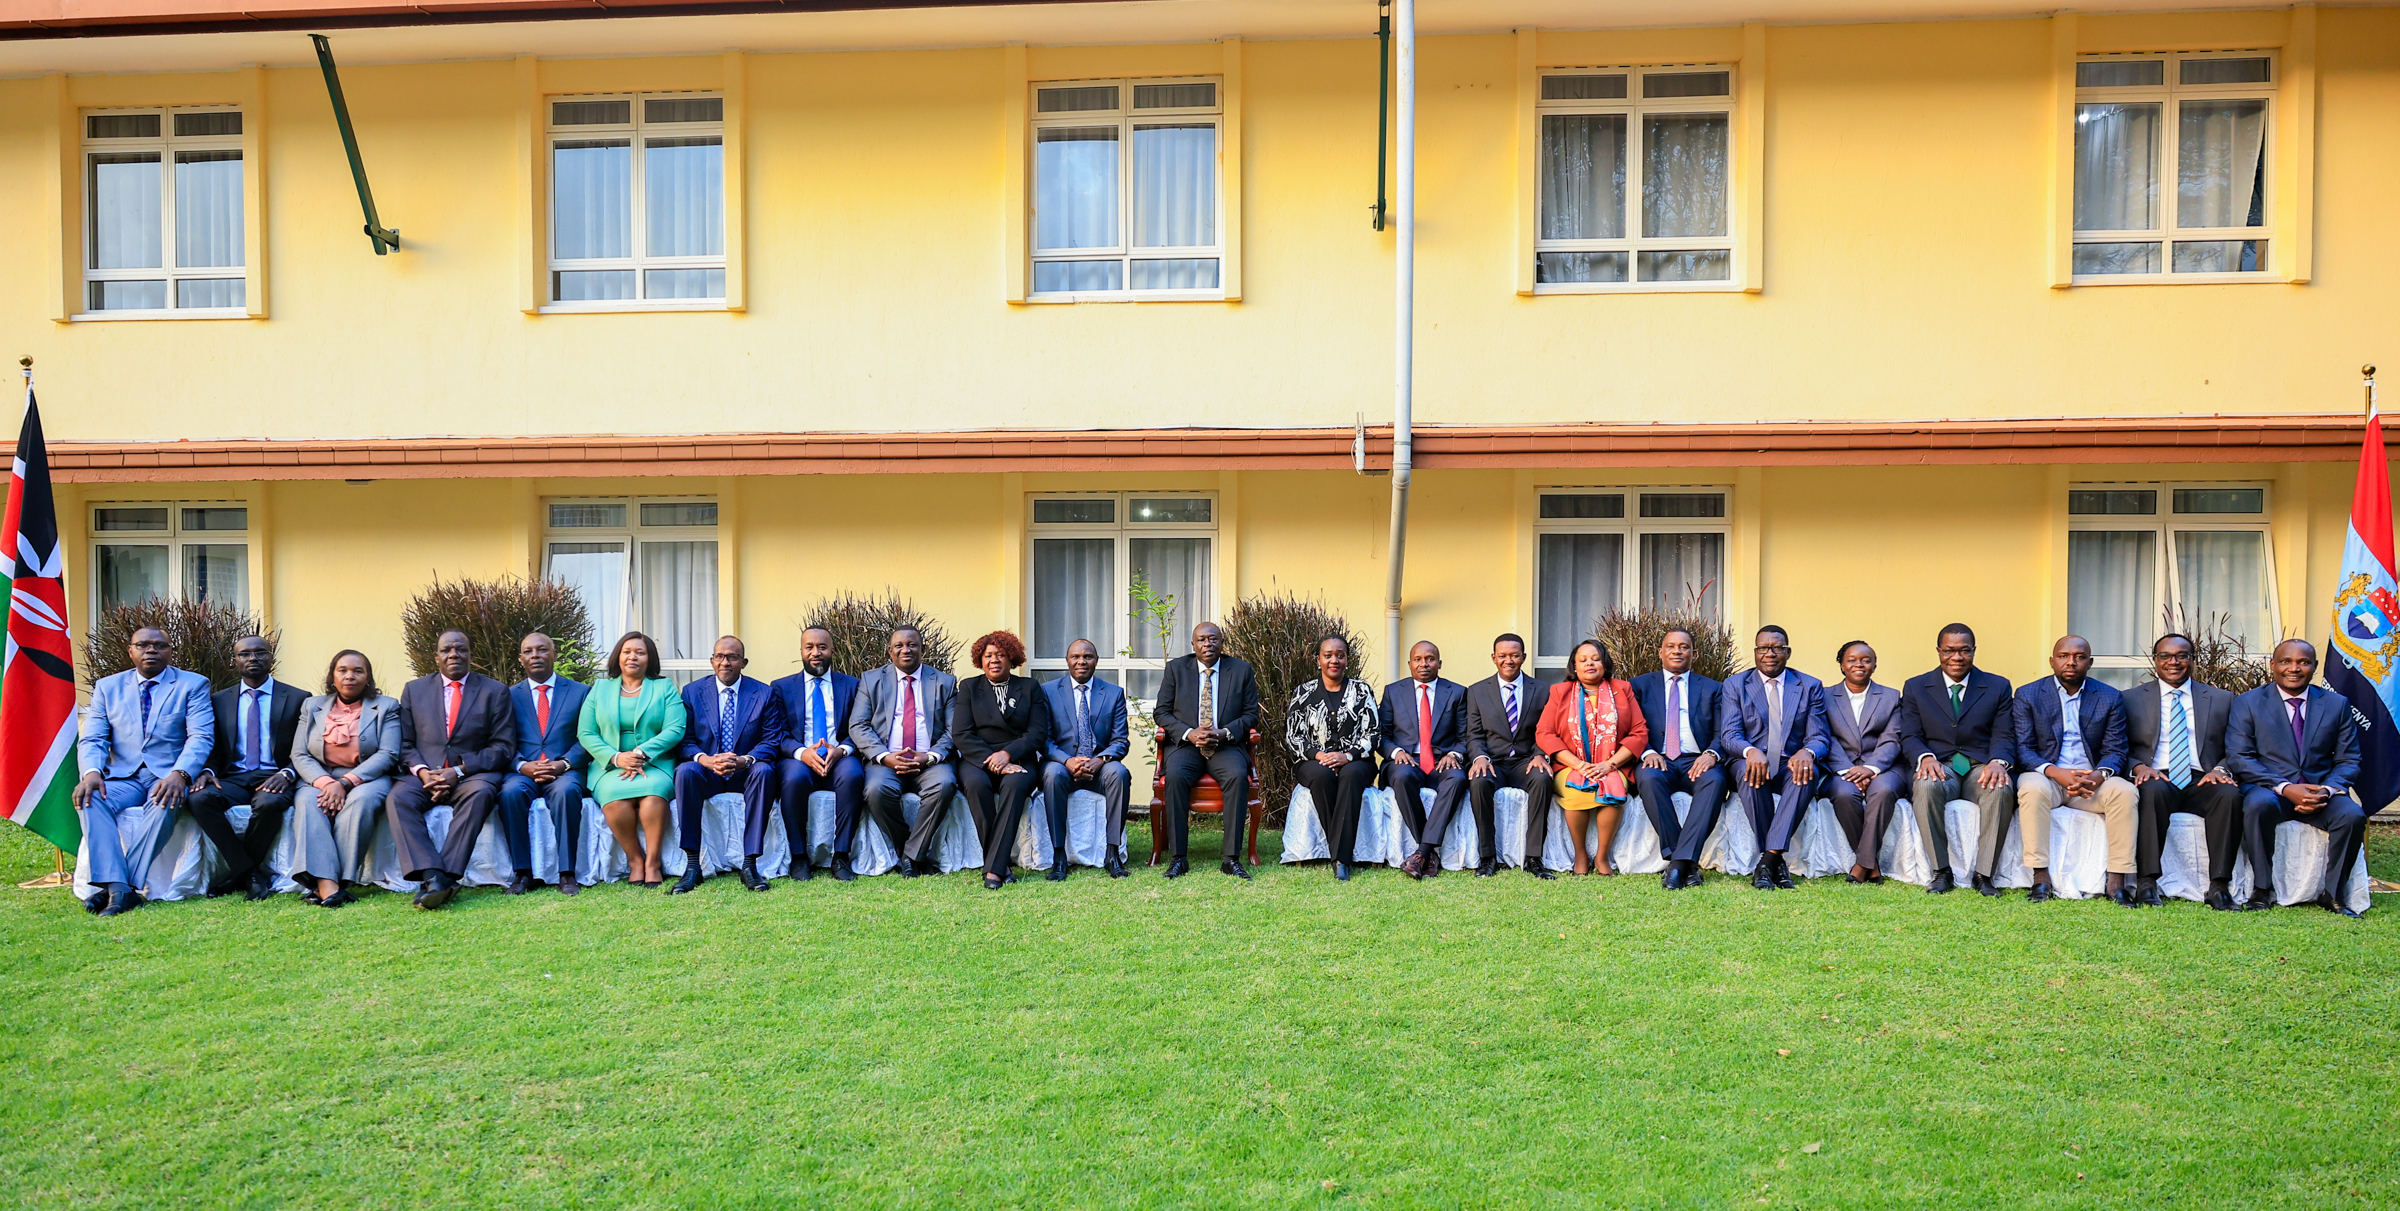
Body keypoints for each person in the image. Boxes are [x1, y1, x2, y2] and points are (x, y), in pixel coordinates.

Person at [72, 627, 214, 917]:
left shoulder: (193, 684)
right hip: (123, 776)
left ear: (170, 651)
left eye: (159, 646)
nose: (151, 650)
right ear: (131, 651)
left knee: (165, 802)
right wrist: (91, 772)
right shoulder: (107, 687)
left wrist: (181, 774)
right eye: (143, 645)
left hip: (167, 777)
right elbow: (94, 738)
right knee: (90, 797)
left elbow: (200, 736)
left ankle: (119, 888)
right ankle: (120, 887)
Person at [2225, 639, 2366, 918]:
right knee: (2256, 806)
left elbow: (2350, 760)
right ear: (2273, 666)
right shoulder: (2248, 703)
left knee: (2353, 816)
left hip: (2319, 790)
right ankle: (2262, 890)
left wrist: (2326, 790)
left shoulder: (2336, 704)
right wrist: (2286, 788)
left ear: (2314, 667)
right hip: (2271, 789)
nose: (2294, 668)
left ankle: (2333, 894)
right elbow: (2239, 757)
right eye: (2286, 661)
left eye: (2303, 662)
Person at [387, 629, 518, 910]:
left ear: (471, 655)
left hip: (471, 775)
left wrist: (458, 771)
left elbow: (503, 747)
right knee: (398, 799)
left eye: (460, 649)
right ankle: (434, 875)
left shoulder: (495, 691)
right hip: (425, 774)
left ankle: (444, 877)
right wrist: (423, 772)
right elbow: (406, 742)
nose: (453, 654)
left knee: (482, 793)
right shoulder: (414, 689)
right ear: (436, 657)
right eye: (446, 650)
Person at [2010, 635, 2138, 905]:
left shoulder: (2109, 696)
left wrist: (2099, 775)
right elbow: (2023, 749)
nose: (2071, 662)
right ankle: (2040, 877)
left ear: (2089, 663)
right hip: (2048, 778)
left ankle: (2117, 882)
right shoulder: (2028, 694)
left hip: (2092, 782)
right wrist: (2055, 772)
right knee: (2030, 788)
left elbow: (2116, 750)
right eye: (2064, 656)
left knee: (2125, 792)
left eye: (2079, 657)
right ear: (2052, 661)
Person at [2122, 633, 2242, 909]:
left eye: (2181, 656)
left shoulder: (2221, 699)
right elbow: (2116, 745)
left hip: (2203, 777)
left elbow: (2237, 745)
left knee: (2230, 797)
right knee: (2151, 792)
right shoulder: (2129, 699)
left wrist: (2221, 768)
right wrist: (2137, 766)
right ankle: (2147, 883)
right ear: (2155, 661)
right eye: (2165, 656)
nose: (2173, 662)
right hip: (2156, 774)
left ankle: (2219, 887)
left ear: (2192, 660)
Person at [185, 634, 307, 901]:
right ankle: (249, 872)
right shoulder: (219, 700)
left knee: (270, 804)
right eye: (244, 654)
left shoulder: (298, 697)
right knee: (199, 798)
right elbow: (213, 747)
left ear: (271, 657)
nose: (253, 658)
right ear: (235, 660)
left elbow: (305, 748)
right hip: (234, 775)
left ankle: (238, 874)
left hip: (275, 775)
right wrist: (208, 771)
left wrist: (287, 773)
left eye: (260, 653)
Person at [1896, 623, 2014, 896]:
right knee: (1925, 785)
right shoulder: (1916, 687)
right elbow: (1910, 734)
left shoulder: (1997, 686)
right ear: (1938, 651)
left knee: (2000, 787)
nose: (1956, 658)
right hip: (1941, 766)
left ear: (1974, 651)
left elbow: (2005, 734)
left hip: (1980, 767)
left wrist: (1998, 761)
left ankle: (1984, 875)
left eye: (1964, 651)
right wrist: (1925, 758)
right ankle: (1941, 871)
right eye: (1949, 651)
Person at [1721, 625, 1830, 891]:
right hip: (1750, 760)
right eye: (1763, 648)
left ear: (1787, 652)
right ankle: (1776, 864)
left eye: (1777, 648)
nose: (1770, 653)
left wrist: (1808, 752)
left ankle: (1768, 860)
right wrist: (1750, 751)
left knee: (1807, 774)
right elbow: (1729, 735)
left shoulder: (1808, 685)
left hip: (1789, 761)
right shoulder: (1736, 684)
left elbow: (1820, 736)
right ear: (1756, 652)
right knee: (1750, 775)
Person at [670, 635, 782, 894]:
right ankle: (693, 866)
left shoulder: (763, 693)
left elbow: (771, 741)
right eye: (719, 656)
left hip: (745, 771)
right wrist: (706, 760)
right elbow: (684, 741)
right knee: (685, 771)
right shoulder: (692, 692)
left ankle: (749, 865)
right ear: (712, 661)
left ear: (743, 662)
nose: (725, 662)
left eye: (732, 657)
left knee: (764, 770)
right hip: (707, 771)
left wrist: (744, 760)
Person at [289, 650, 402, 908]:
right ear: (332, 676)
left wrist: (346, 782)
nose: (349, 676)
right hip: (319, 776)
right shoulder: (312, 705)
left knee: (360, 803)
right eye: (342, 670)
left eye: (357, 671)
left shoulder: (387, 706)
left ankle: (332, 884)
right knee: (308, 803)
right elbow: (299, 753)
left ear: (368, 678)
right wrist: (327, 783)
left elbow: (389, 753)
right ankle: (329, 886)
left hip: (368, 778)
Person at [846, 626, 959, 878]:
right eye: (899, 645)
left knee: (945, 784)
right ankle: (911, 851)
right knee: (875, 791)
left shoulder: (944, 682)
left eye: (912, 645)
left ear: (923, 649)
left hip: (929, 761)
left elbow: (954, 730)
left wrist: (929, 756)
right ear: (890, 651)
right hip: (886, 759)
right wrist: (884, 756)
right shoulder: (871, 679)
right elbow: (858, 725)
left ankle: (909, 856)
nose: (905, 649)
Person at [1154, 620, 1261, 879]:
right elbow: (1161, 712)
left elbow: (1251, 715)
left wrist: (1224, 733)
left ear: (1222, 643)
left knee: (1237, 776)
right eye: (1201, 639)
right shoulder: (1176, 669)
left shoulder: (1241, 670)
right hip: (1187, 746)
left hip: (1225, 745)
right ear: (1193, 644)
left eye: (1213, 639)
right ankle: (1179, 859)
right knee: (1176, 777)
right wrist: (1190, 733)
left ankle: (1231, 859)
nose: (1207, 644)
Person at [579, 631, 686, 889]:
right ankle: (635, 860)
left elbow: (676, 728)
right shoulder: (600, 688)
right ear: (618, 656)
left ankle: (653, 863)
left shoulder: (664, 688)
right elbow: (586, 732)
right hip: (610, 766)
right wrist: (616, 757)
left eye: (640, 652)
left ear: (649, 659)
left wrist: (640, 754)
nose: (632, 657)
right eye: (627, 651)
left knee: (652, 797)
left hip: (654, 763)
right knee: (615, 800)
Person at [1628, 628, 1730, 890]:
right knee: (1648, 778)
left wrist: (1711, 754)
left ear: (1693, 654)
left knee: (1716, 780)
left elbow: (1724, 732)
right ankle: (1684, 862)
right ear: (1660, 652)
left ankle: (1678, 865)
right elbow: (1630, 727)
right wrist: (1648, 752)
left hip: (1697, 760)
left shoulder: (1713, 688)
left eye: (1683, 647)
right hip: (1657, 758)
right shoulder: (1638, 686)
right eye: (1670, 646)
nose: (1677, 651)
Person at [1536, 639, 1647, 876]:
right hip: (1570, 764)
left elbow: (1639, 732)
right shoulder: (1559, 692)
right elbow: (1544, 733)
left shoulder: (1623, 689)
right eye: (1583, 660)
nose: (1590, 664)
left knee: (1614, 789)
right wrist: (1578, 764)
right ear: (1574, 667)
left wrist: (1609, 764)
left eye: (1595, 659)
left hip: (1613, 764)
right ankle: (1581, 855)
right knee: (1577, 790)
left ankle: (1602, 856)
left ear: (1605, 664)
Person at [952, 630, 1051, 890]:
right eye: (988, 655)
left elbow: (1038, 732)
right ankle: (1001, 864)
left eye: (1001, 655)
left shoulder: (1029, 688)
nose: (994, 660)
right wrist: (992, 759)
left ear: (1012, 659)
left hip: (1019, 758)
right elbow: (961, 733)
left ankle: (994, 869)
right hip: (977, 759)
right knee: (975, 786)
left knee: (1015, 786)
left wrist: (1008, 754)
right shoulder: (969, 687)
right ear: (980, 660)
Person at [497, 632, 592, 897]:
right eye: (528, 651)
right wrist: (520, 765)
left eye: (542, 650)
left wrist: (564, 763)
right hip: (524, 771)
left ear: (554, 655)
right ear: (521, 659)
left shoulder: (580, 692)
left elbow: (587, 737)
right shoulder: (507, 695)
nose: (535, 656)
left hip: (564, 770)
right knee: (509, 793)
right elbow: (502, 739)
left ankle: (567, 873)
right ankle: (522, 873)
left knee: (566, 792)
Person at [1285, 633, 1381, 881]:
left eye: (1340, 655)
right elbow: (1293, 737)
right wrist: (1321, 756)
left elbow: (1373, 733)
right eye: (1328, 655)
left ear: (1347, 659)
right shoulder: (1303, 692)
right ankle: (1341, 856)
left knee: (1350, 776)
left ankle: (1340, 859)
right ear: (1319, 659)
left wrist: (1347, 756)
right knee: (1320, 775)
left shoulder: (1361, 691)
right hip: (1313, 762)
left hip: (1356, 761)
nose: (1334, 660)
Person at [771, 626, 864, 881]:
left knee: (854, 776)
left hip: (840, 755)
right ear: (800, 651)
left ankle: (841, 855)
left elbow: (859, 728)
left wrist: (842, 749)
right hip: (799, 758)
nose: (816, 652)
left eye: (822, 647)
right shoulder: (781, 687)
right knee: (793, 779)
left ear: (832, 650)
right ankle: (799, 857)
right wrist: (802, 753)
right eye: (809, 647)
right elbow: (778, 732)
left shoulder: (853, 685)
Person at [1038, 638, 1133, 880]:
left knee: (1119, 773)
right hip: (1062, 766)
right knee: (1051, 774)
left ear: (1096, 661)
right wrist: (1067, 761)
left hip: (1099, 767)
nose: (1082, 661)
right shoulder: (1049, 692)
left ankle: (1112, 854)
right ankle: (1059, 856)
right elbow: (1044, 739)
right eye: (1076, 657)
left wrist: (1100, 760)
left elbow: (1120, 741)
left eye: (1088, 657)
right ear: (1067, 661)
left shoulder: (1113, 693)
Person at [1465, 633, 1556, 879]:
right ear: (1494, 658)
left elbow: (1547, 729)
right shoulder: (1476, 691)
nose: (1509, 660)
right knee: (1479, 781)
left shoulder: (1543, 690)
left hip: (1526, 762)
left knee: (1543, 779)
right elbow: (1473, 734)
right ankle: (1487, 858)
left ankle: (1534, 858)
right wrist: (1479, 757)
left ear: (1524, 657)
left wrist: (1540, 754)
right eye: (1503, 655)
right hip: (1492, 762)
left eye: (1515, 655)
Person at [1379, 640, 1470, 881]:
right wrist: (1396, 752)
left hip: (1443, 761)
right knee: (1401, 776)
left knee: (1458, 778)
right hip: (1406, 760)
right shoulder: (1393, 691)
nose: (1424, 664)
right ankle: (1428, 852)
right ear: (1409, 664)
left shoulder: (1458, 693)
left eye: (1430, 659)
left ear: (1439, 663)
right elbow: (1382, 735)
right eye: (1418, 659)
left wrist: (1454, 754)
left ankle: (1421, 853)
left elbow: (1466, 736)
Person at [1822, 640, 1907, 884]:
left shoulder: (1891, 697)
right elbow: (1825, 736)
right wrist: (1850, 771)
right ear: (1842, 666)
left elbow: (1892, 738)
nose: (1859, 664)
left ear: (1874, 665)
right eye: (1852, 660)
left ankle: (1862, 864)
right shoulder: (1825, 696)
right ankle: (1872, 864)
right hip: (1842, 767)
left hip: (1884, 767)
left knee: (1883, 791)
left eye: (1866, 660)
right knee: (1845, 795)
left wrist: (1870, 768)